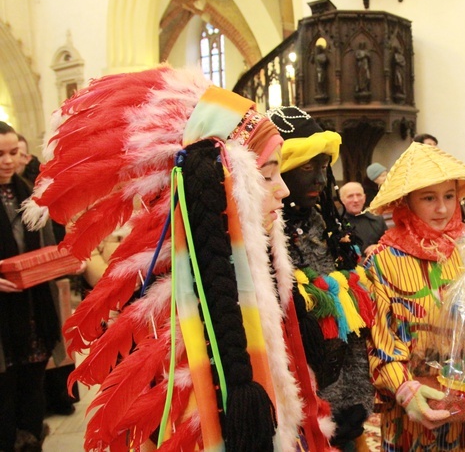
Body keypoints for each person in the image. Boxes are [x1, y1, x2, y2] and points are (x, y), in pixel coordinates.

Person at [22, 66, 334, 451]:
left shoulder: (257, 274)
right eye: (268, 176)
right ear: (226, 184)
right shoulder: (172, 311)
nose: (284, 190)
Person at [366, 141, 465, 451]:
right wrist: (406, 391)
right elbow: (380, 344)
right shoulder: (383, 261)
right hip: (415, 411)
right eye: (429, 198)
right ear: (406, 202)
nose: (443, 209)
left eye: (449, 196)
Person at [270, 106, 374, 451]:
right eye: (307, 168)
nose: (318, 178)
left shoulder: (325, 222)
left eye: (324, 167)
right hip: (302, 389)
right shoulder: (266, 233)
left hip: (346, 377)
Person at [0, 122, 66, 452]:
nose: (7, 161)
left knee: (33, 382)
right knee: (4, 390)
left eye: (13, 152)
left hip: (34, 307)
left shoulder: (30, 194)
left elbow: (49, 244)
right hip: (3, 319)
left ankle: (30, 440)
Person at [339, 181, 387, 256]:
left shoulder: (377, 219)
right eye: (350, 196)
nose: (356, 200)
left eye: (359, 195)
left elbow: (388, 245)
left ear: (364, 198)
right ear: (342, 200)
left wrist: (378, 247)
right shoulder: (335, 222)